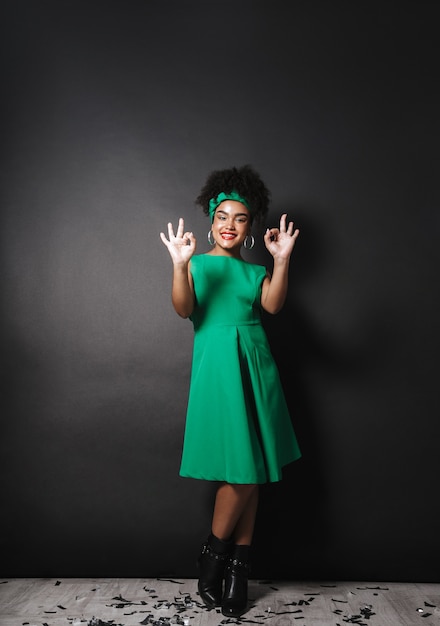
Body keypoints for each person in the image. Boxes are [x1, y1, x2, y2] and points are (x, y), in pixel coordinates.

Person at [160, 165, 301, 617]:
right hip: (219, 372)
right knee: (243, 473)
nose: (230, 225)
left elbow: (273, 305)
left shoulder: (253, 271)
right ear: (212, 220)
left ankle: (237, 570)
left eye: (240, 219)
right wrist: (180, 266)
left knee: (253, 472)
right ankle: (214, 557)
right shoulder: (198, 264)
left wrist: (281, 261)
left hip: (257, 370)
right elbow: (184, 310)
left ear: (250, 227)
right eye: (224, 216)